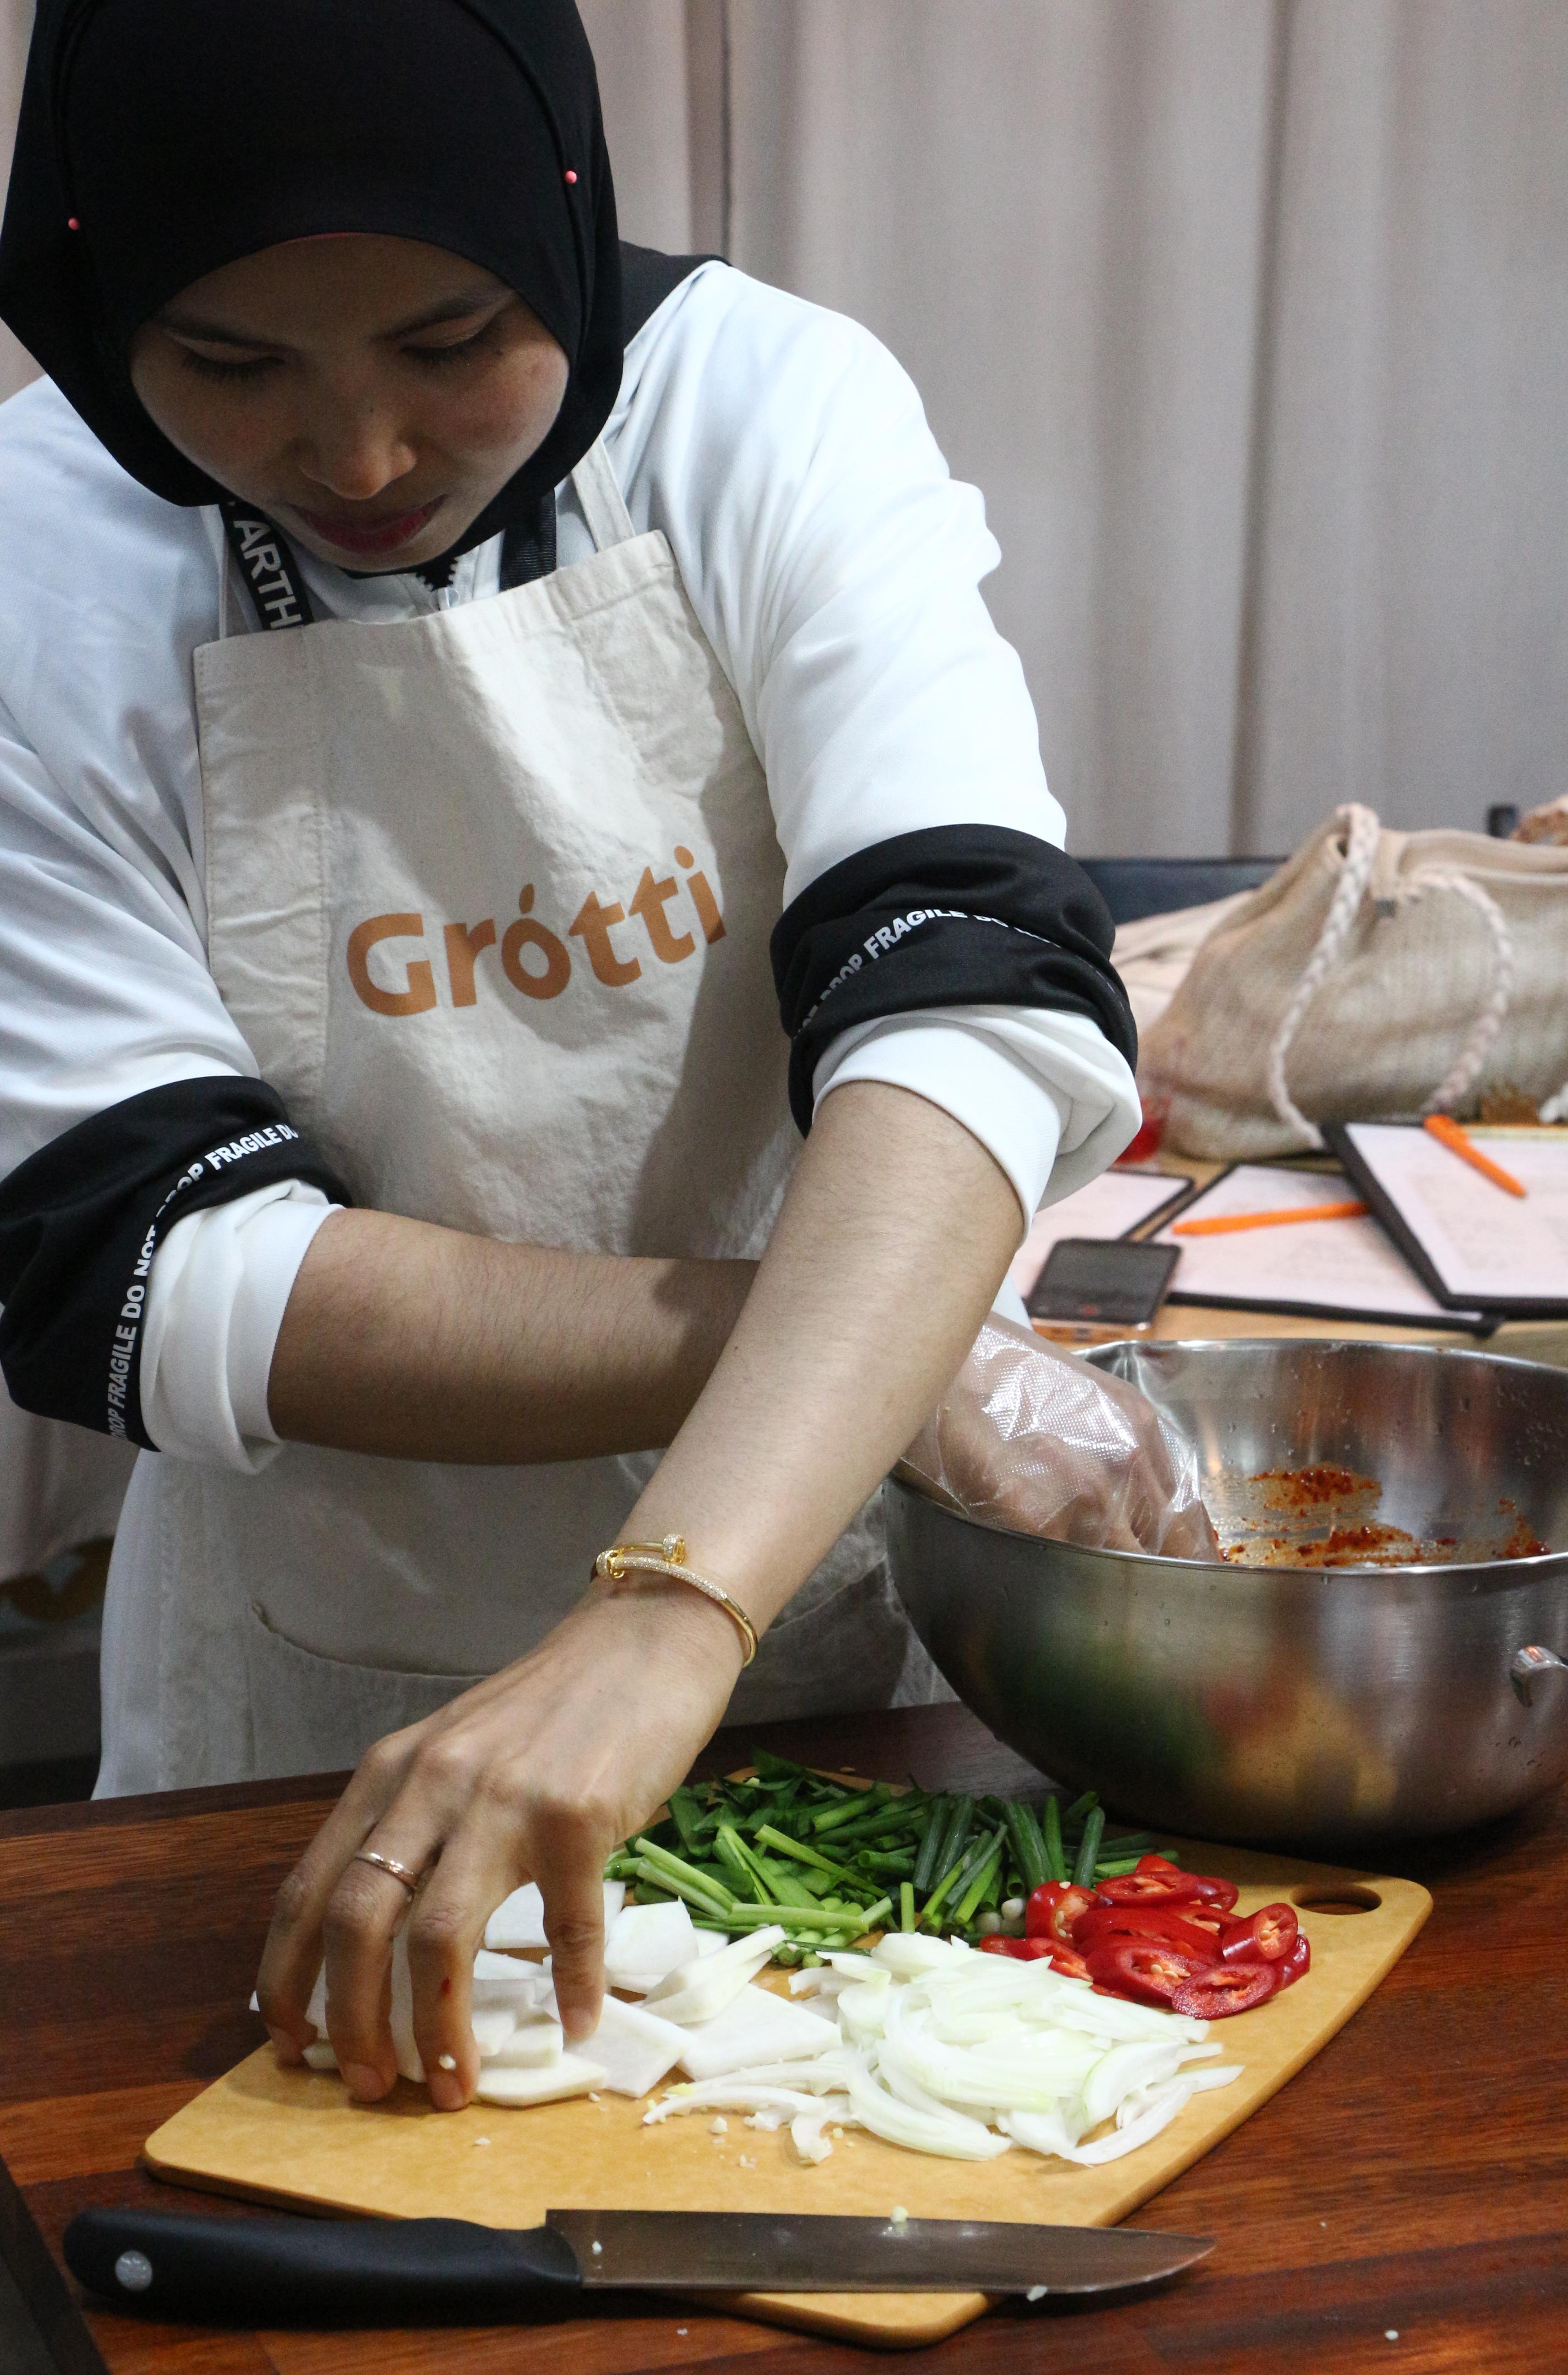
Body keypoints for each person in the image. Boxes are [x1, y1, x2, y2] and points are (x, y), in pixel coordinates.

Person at [0, 0, 1139, 2105]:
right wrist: (881, 1354)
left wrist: (675, 1609)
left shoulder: (759, 411)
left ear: (562, 222)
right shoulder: (30, 560)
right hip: (303, 1685)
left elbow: (968, 988)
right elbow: (163, 1267)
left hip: (824, 1634)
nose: (358, 459)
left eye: (450, 342)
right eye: (229, 365)